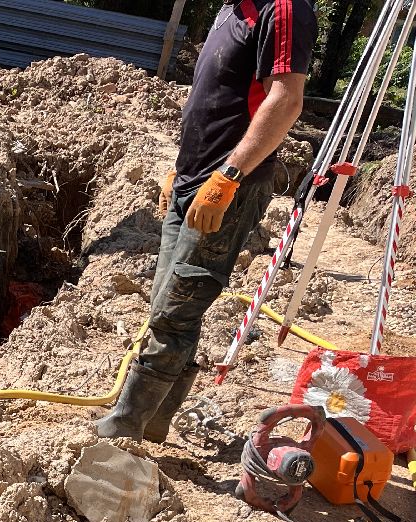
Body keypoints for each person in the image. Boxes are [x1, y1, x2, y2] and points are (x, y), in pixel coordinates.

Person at [96, 0, 317, 441]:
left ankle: (125, 428)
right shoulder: (231, 11)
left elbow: (287, 99)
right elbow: (215, 98)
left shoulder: (284, 8)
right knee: (169, 301)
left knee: (176, 310)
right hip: (193, 183)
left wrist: (228, 177)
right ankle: (156, 420)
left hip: (227, 191)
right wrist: (182, 169)